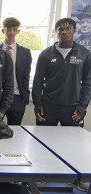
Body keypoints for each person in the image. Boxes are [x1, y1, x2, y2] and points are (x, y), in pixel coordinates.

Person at [33, 18, 91, 192]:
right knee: (43, 145)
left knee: (73, 148)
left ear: (74, 30)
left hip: (73, 109)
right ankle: (40, 175)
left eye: (68, 28)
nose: (64, 31)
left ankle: (74, 178)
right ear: (55, 31)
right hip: (48, 107)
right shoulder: (46, 54)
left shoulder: (84, 54)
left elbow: (88, 83)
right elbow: (37, 82)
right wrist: (37, 106)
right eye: (60, 29)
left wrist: (82, 108)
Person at [0, 17, 32, 125]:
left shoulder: (25, 52)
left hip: (17, 97)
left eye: (14, 29)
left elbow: (26, 76)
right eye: (8, 29)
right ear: (3, 31)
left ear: (18, 31)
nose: (11, 32)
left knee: (15, 133)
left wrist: (24, 98)